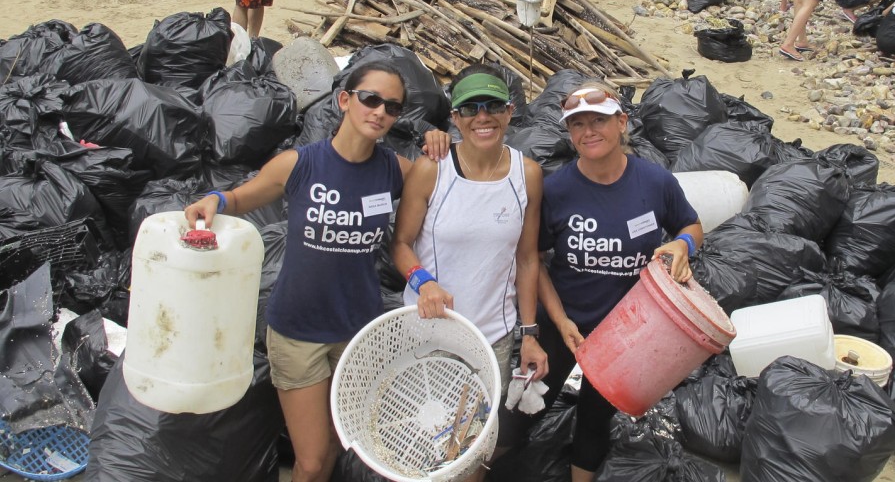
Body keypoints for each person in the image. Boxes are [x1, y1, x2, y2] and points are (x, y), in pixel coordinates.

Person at [183, 61, 449, 482]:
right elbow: (240, 198)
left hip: (357, 331)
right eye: (371, 99)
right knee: (309, 459)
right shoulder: (300, 164)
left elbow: (443, 187)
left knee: (335, 448)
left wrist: (438, 141)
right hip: (297, 332)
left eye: (392, 107)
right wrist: (213, 199)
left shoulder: (394, 170)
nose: (379, 112)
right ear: (345, 100)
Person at [522, 82, 701, 482]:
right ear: (568, 133)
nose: (589, 131)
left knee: (594, 416)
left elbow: (690, 224)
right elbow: (535, 260)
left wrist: (683, 245)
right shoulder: (555, 190)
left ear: (622, 122)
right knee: (524, 407)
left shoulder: (655, 182)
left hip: (628, 330)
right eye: (578, 124)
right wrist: (560, 320)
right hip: (566, 323)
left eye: (599, 121)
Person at [392, 65, 548, 482]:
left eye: (493, 106)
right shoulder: (432, 169)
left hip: (491, 339)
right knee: (421, 442)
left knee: (470, 450)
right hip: (430, 330)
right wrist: (423, 282)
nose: (484, 117)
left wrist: (529, 334)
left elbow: (527, 258)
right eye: (470, 108)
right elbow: (401, 244)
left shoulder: (527, 174)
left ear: (510, 111)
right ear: (455, 118)